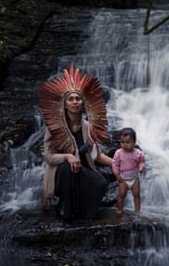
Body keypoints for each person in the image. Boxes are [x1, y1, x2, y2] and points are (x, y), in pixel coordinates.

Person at [39, 64, 112, 220]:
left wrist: (118, 162)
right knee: (67, 168)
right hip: (61, 174)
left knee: (101, 183)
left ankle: (82, 208)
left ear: (83, 103)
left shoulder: (87, 127)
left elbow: (97, 155)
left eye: (78, 99)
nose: (74, 102)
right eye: (70, 99)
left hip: (82, 171)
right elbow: (48, 157)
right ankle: (64, 206)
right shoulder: (54, 127)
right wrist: (67, 157)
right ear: (65, 104)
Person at [112, 127, 145, 215]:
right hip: (123, 178)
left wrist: (141, 167)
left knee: (137, 194)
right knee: (122, 195)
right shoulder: (118, 153)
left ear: (134, 142)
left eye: (128, 142)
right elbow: (115, 164)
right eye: (122, 142)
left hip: (134, 178)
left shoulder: (138, 153)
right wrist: (117, 175)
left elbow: (141, 162)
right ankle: (119, 209)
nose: (125, 145)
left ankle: (137, 210)